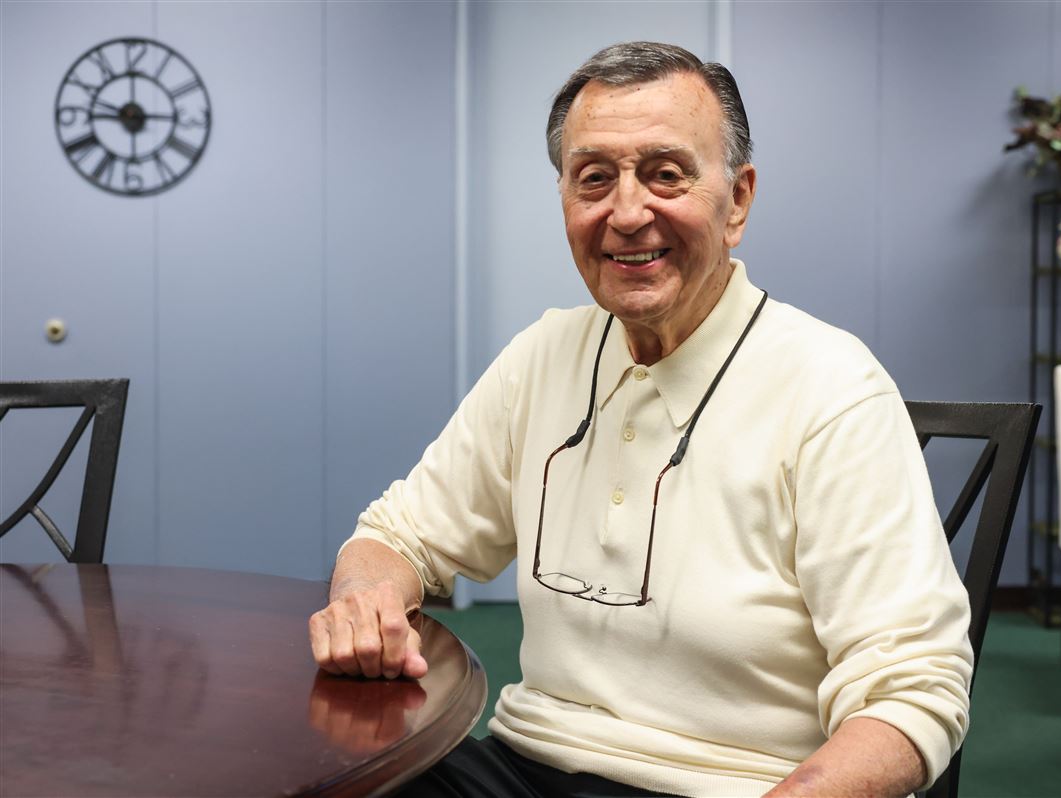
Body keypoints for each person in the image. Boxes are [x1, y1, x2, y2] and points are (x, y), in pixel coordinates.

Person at [309, 41, 972, 798]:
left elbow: (912, 693)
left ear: (738, 201)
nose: (627, 214)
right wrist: (364, 599)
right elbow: (398, 537)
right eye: (594, 178)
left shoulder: (831, 387)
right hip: (527, 766)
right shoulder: (543, 355)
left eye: (666, 174)